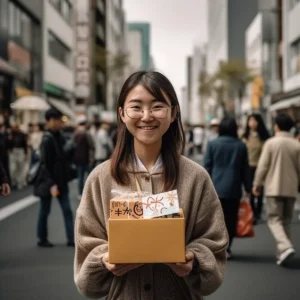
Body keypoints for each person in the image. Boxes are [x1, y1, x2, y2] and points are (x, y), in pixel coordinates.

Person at [74, 71, 228, 299]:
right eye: (136, 107)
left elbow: (214, 243)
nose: (146, 116)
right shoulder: (100, 178)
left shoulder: (196, 177)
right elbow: (86, 257)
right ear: (122, 114)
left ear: (174, 113)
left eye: (157, 106)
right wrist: (104, 259)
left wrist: (193, 259)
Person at [253, 114, 300, 266]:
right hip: (291, 188)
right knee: (285, 221)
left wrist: (257, 184)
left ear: (277, 126)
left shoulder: (271, 143)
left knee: (274, 220)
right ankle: (283, 254)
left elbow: (263, 166)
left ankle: (285, 247)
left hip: (274, 187)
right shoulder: (296, 145)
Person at [204, 117, 251, 259]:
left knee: (215, 219)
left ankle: (216, 246)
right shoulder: (241, 145)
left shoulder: (212, 144)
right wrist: (248, 188)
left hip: (215, 186)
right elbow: (245, 169)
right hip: (234, 187)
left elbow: (207, 166)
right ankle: (227, 248)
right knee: (231, 219)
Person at [33, 108, 74, 248]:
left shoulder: (60, 136)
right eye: (56, 120)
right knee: (45, 211)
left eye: (59, 120)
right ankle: (42, 238)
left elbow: (64, 157)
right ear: (49, 121)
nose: (59, 123)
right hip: (49, 181)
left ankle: (72, 239)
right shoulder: (47, 139)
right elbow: (44, 163)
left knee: (67, 210)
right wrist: (51, 183)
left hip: (61, 180)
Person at [242, 113, 270, 224]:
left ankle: (258, 211)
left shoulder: (264, 136)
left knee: (260, 190)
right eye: (250, 121)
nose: (252, 123)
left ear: (258, 122)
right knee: (250, 190)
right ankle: (253, 212)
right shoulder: (244, 136)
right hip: (248, 167)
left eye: (254, 120)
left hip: (260, 167)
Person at [73, 115, 95, 199]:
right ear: (85, 124)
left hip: (78, 158)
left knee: (80, 177)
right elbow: (92, 146)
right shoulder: (86, 133)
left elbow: (73, 146)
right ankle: (89, 193)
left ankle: (80, 193)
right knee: (89, 177)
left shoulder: (75, 133)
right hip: (86, 158)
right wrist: (92, 158)